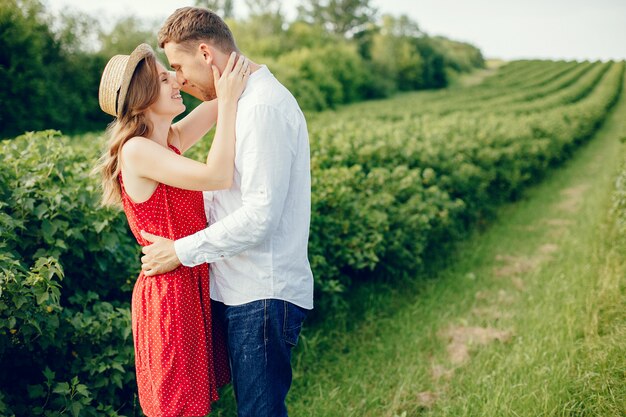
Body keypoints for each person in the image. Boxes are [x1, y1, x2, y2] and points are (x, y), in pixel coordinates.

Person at [139, 7, 314, 417]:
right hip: (239, 287)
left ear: (205, 53)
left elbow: (260, 215)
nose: (179, 80)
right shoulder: (242, 103)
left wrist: (180, 251)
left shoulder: (261, 108)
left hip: (261, 291)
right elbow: (227, 195)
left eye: (179, 67)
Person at [95, 42, 251, 417]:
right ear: (143, 97)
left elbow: (219, 95)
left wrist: (220, 58)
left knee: (193, 404)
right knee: (179, 407)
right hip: (169, 293)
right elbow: (216, 175)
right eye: (165, 78)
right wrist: (228, 104)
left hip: (189, 281)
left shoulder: (168, 142)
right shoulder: (137, 151)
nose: (176, 81)